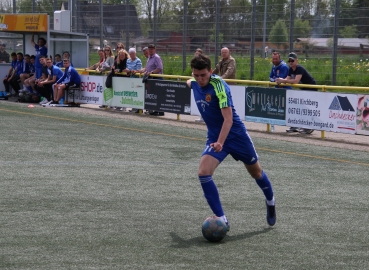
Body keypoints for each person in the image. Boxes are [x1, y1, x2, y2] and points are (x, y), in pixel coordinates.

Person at [186, 53, 276, 229]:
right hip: (214, 138)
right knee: (204, 173)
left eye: (203, 75)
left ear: (211, 71)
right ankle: (222, 219)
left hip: (236, 136)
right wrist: (190, 81)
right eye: (196, 75)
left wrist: (221, 142)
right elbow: (189, 83)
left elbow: (228, 120)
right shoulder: (194, 82)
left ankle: (271, 201)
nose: (200, 79)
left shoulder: (220, 86)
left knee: (256, 173)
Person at [276, 52, 317, 134]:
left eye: (292, 61)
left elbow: (295, 81)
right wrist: (280, 81)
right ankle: (296, 125)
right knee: (298, 107)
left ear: (296, 61)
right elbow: (287, 80)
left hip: (311, 88)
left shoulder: (299, 69)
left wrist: (283, 80)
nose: (290, 62)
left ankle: (309, 127)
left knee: (307, 108)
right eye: (289, 61)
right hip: (304, 89)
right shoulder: (290, 69)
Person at [144, 44, 164, 116]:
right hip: (151, 78)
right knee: (154, 95)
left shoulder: (156, 57)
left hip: (157, 78)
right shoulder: (149, 57)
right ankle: (155, 110)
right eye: (149, 49)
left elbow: (159, 68)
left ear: (155, 50)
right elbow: (148, 68)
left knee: (158, 95)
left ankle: (160, 111)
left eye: (152, 49)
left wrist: (152, 72)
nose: (150, 50)